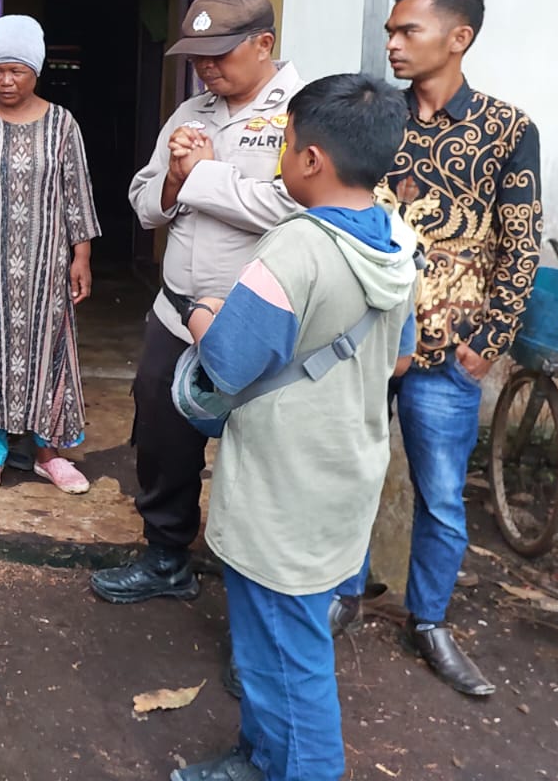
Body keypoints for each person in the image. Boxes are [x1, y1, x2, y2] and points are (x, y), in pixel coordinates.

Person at [170, 73, 417, 781]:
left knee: (289, 656)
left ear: (311, 159)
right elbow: (400, 359)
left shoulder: (294, 250)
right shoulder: (398, 241)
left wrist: (201, 313)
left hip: (284, 486)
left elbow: (226, 364)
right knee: (271, 646)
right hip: (344, 473)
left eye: (285, 143)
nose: (281, 156)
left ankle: (299, 766)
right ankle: (259, 757)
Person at [331, 0, 542, 696]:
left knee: (444, 496)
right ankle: (343, 597)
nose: (392, 43)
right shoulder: (376, 118)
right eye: (390, 31)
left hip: (449, 349)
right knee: (349, 474)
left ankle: (430, 621)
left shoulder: (508, 130)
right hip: (363, 339)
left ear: (459, 37)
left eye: (407, 31)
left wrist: (490, 340)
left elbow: (521, 245)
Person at [91, 0, 303, 605]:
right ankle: (166, 557)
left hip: (255, 319)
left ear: (263, 43)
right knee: (163, 437)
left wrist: (202, 176)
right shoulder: (190, 112)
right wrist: (175, 181)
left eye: (219, 54)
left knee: (261, 449)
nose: (206, 68)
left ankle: (260, 583)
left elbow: (295, 208)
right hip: (177, 311)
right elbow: (144, 203)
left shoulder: (302, 112)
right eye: (196, 58)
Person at [0, 15, 101, 494]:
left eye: (17, 71)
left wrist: (82, 258)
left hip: (46, 268)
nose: (5, 81)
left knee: (49, 351)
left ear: (36, 70)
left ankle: (49, 453)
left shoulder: (62, 125)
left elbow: (77, 197)